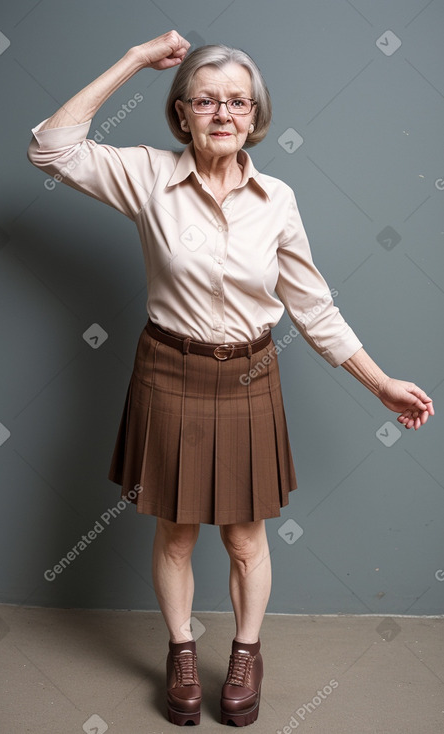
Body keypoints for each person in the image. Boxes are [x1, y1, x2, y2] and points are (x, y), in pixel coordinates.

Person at [27, 30, 434, 728]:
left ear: (255, 116)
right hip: (168, 369)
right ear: (181, 112)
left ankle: (245, 654)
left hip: (248, 377)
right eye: (206, 100)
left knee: (245, 538)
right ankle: (181, 652)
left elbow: (312, 307)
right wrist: (132, 60)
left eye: (237, 103)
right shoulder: (148, 176)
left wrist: (379, 383)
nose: (223, 114)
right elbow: (51, 147)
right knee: (177, 534)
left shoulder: (277, 200)